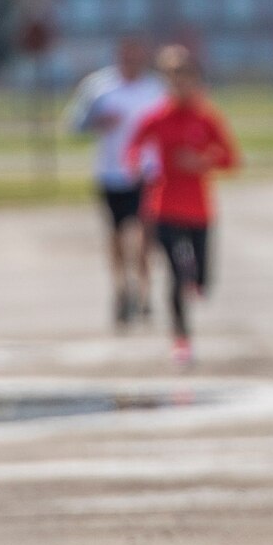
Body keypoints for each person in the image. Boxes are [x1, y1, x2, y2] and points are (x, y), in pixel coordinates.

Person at [122, 46, 240, 369]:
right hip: (164, 208)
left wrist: (202, 161)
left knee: (201, 278)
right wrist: (136, 166)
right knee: (175, 274)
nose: (180, 85)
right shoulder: (156, 117)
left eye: (186, 78)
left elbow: (231, 159)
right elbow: (133, 148)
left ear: (195, 80)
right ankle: (182, 340)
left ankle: (197, 279)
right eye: (173, 79)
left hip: (200, 210)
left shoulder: (205, 118)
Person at [66, 36, 165, 327]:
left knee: (145, 237)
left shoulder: (156, 89)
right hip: (110, 173)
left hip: (147, 173)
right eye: (126, 55)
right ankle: (121, 288)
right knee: (116, 236)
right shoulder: (99, 87)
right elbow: (74, 123)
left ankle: (145, 292)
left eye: (136, 55)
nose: (131, 60)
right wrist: (98, 122)